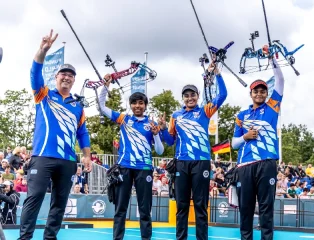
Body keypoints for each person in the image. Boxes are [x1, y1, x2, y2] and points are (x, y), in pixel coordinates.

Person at [18, 29, 92, 240]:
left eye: (71, 75)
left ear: (73, 80)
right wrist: (42, 50)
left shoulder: (78, 106)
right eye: (63, 74)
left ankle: (50, 237)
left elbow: (83, 132)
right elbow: (34, 73)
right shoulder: (43, 94)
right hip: (42, 157)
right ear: (56, 77)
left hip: (68, 161)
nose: (67, 77)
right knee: (35, 198)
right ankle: (25, 238)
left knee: (60, 203)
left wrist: (86, 155)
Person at [159, 62, 227, 240]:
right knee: (181, 206)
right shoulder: (176, 116)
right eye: (186, 95)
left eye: (193, 95)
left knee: (200, 206)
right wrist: (162, 129)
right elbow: (169, 140)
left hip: (201, 162)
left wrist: (217, 72)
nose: (190, 98)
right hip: (181, 163)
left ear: (197, 96)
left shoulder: (205, 110)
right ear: (183, 98)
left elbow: (223, 94)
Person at [100, 75, 164, 240]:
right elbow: (102, 106)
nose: (137, 106)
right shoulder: (123, 119)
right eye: (134, 103)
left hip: (144, 169)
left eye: (140, 103)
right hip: (124, 167)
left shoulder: (151, 123)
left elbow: (160, 150)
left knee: (144, 209)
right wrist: (105, 86)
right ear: (131, 105)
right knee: (121, 208)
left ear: (145, 105)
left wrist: (156, 135)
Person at [231, 45, 284, 240]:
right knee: (245, 207)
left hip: (267, 163)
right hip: (245, 165)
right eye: (256, 91)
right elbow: (234, 144)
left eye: (263, 91)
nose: (260, 94)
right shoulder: (241, 115)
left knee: (265, 206)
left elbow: (280, 80)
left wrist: (272, 58)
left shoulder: (272, 107)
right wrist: (245, 137)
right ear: (251, 94)